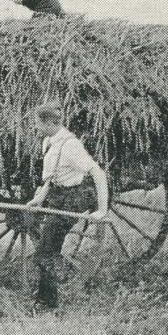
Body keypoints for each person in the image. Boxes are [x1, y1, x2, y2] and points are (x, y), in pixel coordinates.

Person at [27, 102, 109, 311]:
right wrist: (39, 199)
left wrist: (102, 210)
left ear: (47, 123)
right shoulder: (50, 142)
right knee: (47, 250)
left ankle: (48, 301)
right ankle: (46, 300)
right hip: (57, 195)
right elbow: (50, 179)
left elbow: (98, 173)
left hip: (73, 198)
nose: (35, 127)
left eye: (37, 122)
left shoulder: (71, 146)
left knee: (46, 251)